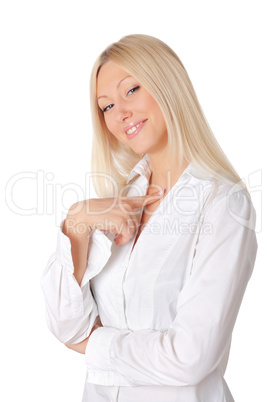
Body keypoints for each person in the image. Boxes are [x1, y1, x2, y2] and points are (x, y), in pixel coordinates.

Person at [41, 34, 258, 402]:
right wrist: (77, 221)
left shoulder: (223, 203)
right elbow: (66, 324)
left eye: (131, 90)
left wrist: (96, 345)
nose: (119, 113)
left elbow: (190, 357)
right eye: (106, 106)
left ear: (167, 85)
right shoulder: (118, 203)